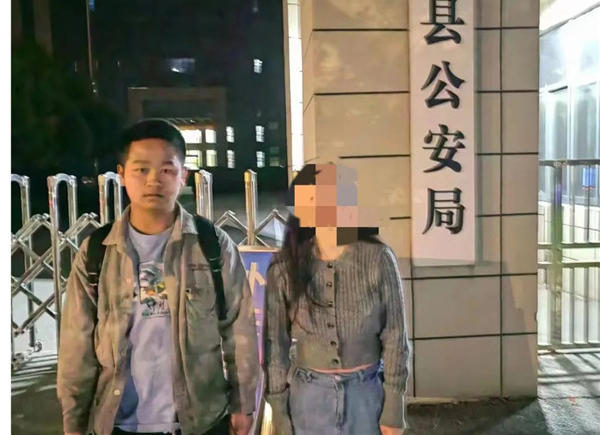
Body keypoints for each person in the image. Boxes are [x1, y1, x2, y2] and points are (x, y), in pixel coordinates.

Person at [57, 119, 259, 435]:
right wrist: (74, 421)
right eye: (141, 169)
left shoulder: (212, 245)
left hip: (201, 422)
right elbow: (76, 345)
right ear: (122, 175)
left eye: (166, 169)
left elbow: (240, 329)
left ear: (183, 176)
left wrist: (243, 405)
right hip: (119, 423)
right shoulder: (97, 251)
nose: (154, 180)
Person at [263, 163, 411, 435]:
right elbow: (275, 347)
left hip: (366, 395)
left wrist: (393, 406)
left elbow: (395, 337)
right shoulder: (285, 267)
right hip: (308, 399)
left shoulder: (378, 259)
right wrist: (279, 412)